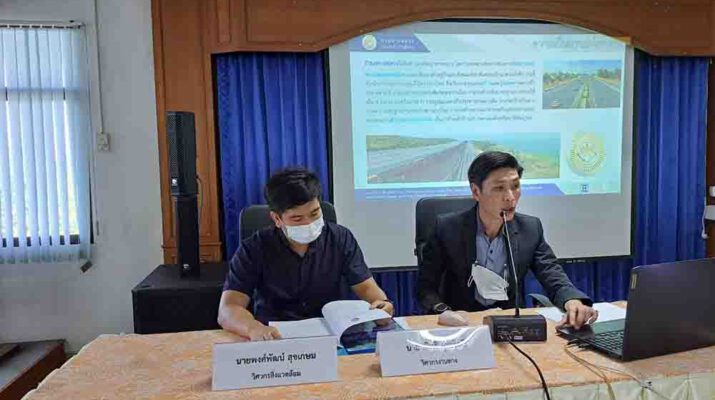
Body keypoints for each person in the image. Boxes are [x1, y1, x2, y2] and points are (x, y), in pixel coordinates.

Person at [417, 151, 598, 329]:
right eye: (499, 188)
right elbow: (425, 288)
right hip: (462, 325)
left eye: (515, 186)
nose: (510, 197)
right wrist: (443, 311)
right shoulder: (447, 229)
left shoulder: (530, 229)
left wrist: (572, 300)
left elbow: (551, 273)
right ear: (476, 191)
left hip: (509, 324)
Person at [218, 168, 394, 340]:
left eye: (314, 213)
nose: (308, 223)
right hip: (275, 337)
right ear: (277, 219)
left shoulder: (340, 238)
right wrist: (253, 328)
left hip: (331, 335)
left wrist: (382, 305)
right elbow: (228, 309)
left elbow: (366, 287)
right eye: (297, 218)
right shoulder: (254, 248)